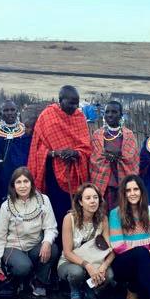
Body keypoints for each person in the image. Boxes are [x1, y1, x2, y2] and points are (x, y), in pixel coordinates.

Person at [0, 167, 59, 299]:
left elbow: (51, 227)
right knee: (23, 266)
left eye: (26, 181)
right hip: (13, 247)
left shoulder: (44, 200)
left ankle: (39, 281)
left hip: (34, 246)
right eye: (18, 182)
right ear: (13, 186)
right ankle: (16, 279)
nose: (22, 186)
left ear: (32, 183)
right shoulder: (6, 206)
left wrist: (47, 242)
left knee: (53, 249)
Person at [28, 85, 91, 220]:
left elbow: (86, 147)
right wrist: (56, 153)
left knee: (76, 208)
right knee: (56, 209)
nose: (74, 107)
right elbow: (38, 148)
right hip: (53, 174)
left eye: (77, 103)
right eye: (71, 103)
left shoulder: (79, 117)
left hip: (76, 172)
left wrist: (75, 153)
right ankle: (57, 239)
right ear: (60, 100)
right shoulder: (47, 116)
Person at [57, 182, 114, 299]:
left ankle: (89, 288)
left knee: (109, 275)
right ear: (80, 202)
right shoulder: (69, 219)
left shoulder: (103, 219)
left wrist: (103, 266)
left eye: (95, 197)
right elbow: (67, 253)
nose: (93, 201)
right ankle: (75, 290)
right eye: (88, 198)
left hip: (95, 262)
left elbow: (111, 249)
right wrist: (87, 265)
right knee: (77, 272)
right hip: (70, 262)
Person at [89, 100, 139, 211]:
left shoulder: (129, 135)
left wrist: (119, 156)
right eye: (107, 112)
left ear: (121, 115)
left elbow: (131, 158)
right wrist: (107, 157)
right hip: (103, 184)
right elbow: (94, 158)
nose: (110, 115)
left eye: (114, 112)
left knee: (123, 212)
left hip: (122, 182)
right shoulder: (97, 135)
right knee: (104, 213)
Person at [0, 99, 31, 211]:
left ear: (17, 112)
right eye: (6, 110)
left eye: (12, 110)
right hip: (3, 176)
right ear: (1, 114)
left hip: (23, 173)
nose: (10, 113)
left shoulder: (25, 132)